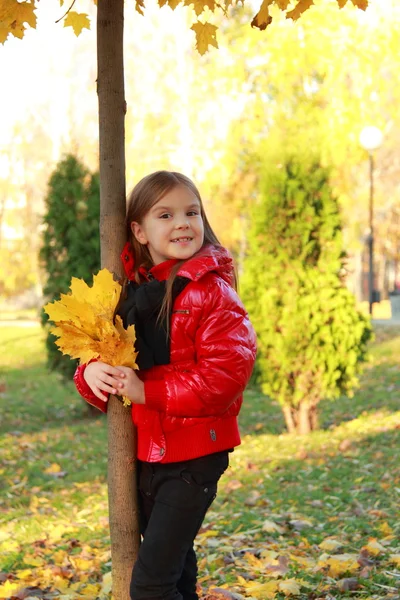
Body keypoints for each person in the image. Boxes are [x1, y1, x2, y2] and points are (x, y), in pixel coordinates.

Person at [73, 170, 257, 600]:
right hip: (148, 454)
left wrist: (146, 391)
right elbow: (111, 360)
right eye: (166, 214)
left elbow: (223, 378)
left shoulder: (212, 292)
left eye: (191, 212)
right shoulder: (132, 293)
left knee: (152, 586)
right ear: (139, 230)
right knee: (175, 574)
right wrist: (91, 373)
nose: (182, 223)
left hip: (194, 457)